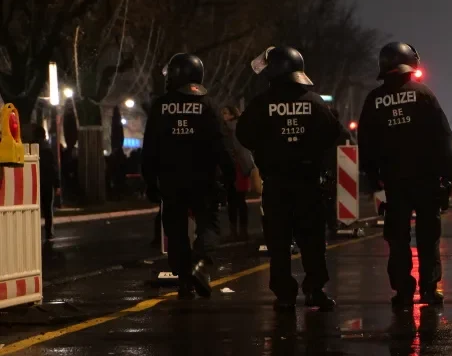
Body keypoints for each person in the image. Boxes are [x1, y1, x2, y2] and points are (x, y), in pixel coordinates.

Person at [237, 46, 344, 311]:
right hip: (309, 184)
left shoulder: (260, 103)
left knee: (279, 241)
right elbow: (334, 134)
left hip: (276, 185)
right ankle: (315, 290)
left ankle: (284, 295)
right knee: (312, 240)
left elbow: (244, 135)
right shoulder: (314, 101)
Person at [358, 42, 452, 309]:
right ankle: (428, 289)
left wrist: (372, 179)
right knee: (428, 238)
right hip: (426, 181)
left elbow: (365, 143)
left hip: (393, 184)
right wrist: (446, 178)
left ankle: (402, 292)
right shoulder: (424, 94)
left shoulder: (374, 100)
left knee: (398, 239)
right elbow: (445, 139)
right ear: (410, 64)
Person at [142, 53, 234, 299]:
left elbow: (149, 147)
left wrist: (150, 181)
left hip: (171, 180)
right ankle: (201, 262)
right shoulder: (208, 105)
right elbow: (223, 145)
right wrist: (230, 176)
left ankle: (184, 281)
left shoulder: (160, 107)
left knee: (175, 231)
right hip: (205, 180)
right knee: (210, 224)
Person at [220, 106, 254, 240]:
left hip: (238, 168)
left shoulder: (233, 128)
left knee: (237, 201)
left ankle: (239, 231)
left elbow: (240, 150)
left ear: (232, 115)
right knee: (235, 201)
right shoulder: (228, 128)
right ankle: (237, 231)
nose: (223, 115)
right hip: (235, 168)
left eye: (225, 113)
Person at [33, 125, 59, 246]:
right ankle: (48, 233)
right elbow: (54, 169)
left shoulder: (32, 149)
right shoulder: (48, 151)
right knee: (48, 209)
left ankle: (34, 233)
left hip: (35, 184)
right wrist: (57, 185)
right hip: (47, 184)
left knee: (36, 210)